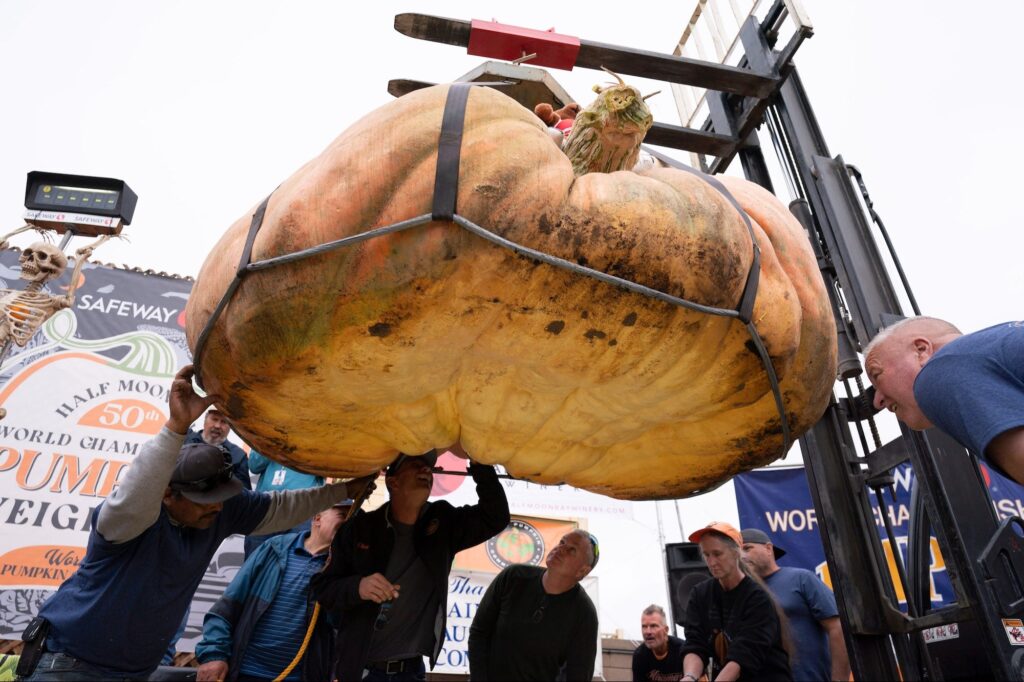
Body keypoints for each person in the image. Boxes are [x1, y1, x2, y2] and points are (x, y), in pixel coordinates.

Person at [20, 365, 371, 681]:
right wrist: (176, 427)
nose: (216, 510)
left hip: (135, 672)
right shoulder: (130, 521)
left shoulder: (221, 510)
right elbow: (138, 487)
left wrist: (342, 491)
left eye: (221, 501)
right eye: (204, 502)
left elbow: (281, 507)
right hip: (70, 665)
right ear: (168, 495)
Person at [312, 446, 510, 682]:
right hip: (360, 671)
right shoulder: (359, 528)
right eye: (415, 464)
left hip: (411, 671)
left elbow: (496, 516)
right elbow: (322, 588)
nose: (426, 469)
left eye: (428, 466)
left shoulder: (444, 523)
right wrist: (358, 587)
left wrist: (479, 463)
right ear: (393, 482)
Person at [194, 500, 355, 682]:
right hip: (245, 673)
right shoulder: (273, 549)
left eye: (353, 519)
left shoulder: (343, 569)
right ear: (317, 518)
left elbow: (340, 627)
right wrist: (214, 655)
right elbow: (225, 609)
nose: (349, 523)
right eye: (343, 515)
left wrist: (337, 571)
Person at [865, 317, 1024, 483]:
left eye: (877, 374)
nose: (877, 401)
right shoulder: (1000, 342)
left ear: (921, 350)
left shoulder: (938, 372)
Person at [468, 529, 600, 681]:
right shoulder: (513, 577)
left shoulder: (584, 614)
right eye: (562, 542)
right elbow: (479, 632)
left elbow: (578, 674)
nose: (561, 549)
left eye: (572, 550)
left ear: (582, 571)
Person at [679, 522, 791, 682]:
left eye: (717, 554)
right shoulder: (700, 594)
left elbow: (744, 655)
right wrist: (689, 676)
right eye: (706, 555)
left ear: (736, 553)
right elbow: (695, 643)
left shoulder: (757, 598)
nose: (711, 562)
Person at [740, 528, 850, 682]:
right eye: (737, 553)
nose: (742, 556)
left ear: (768, 548)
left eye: (747, 548)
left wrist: (839, 679)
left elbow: (837, 628)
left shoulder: (801, 578)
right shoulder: (745, 593)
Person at [244, 451, 326, 558]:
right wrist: (273, 440)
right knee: (254, 561)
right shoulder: (269, 434)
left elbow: (327, 467)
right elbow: (254, 465)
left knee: (294, 562)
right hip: (266, 509)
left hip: (301, 511)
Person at [186, 406, 252, 490]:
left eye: (224, 421)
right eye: (214, 419)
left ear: (231, 426)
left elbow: (242, 493)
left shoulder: (239, 456)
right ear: (205, 420)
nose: (217, 426)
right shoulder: (185, 438)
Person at [632, 604, 685, 682]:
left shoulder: (684, 651)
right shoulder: (640, 656)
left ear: (666, 630)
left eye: (653, 626)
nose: (648, 632)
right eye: (644, 627)